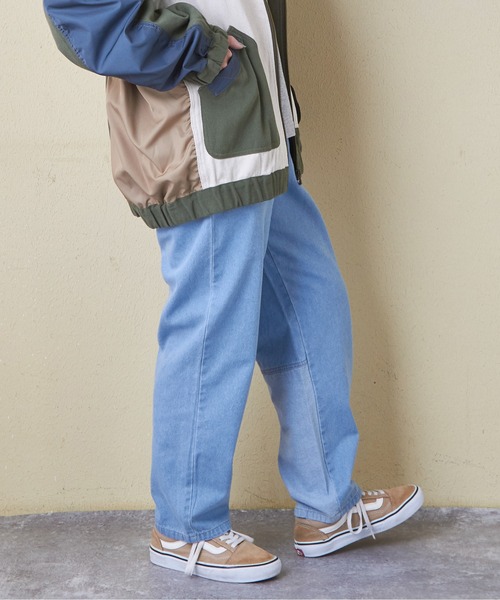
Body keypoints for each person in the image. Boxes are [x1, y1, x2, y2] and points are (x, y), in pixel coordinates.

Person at [43, 0, 424, 584]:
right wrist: (197, 49)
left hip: (258, 128)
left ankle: (327, 504)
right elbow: (80, 11)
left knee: (313, 302)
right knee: (212, 327)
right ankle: (186, 526)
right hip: (201, 137)